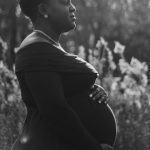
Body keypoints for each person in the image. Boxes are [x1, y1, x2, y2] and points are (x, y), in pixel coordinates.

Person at [11, 0, 117, 150]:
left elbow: (62, 91)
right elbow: (55, 111)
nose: (73, 8)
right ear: (43, 9)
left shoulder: (47, 46)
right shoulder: (36, 51)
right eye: (65, 2)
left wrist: (92, 90)